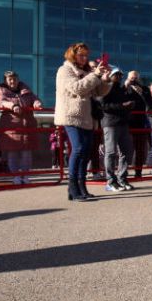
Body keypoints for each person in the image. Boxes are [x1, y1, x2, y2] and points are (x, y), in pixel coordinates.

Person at [53, 42, 112, 201]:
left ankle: (81, 187)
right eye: (81, 55)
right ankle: (72, 186)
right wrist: (95, 75)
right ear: (72, 54)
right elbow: (77, 88)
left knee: (85, 151)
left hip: (87, 117)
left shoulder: (87, 71)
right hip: (71, 115)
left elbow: (99, 92)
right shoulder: (65, 70)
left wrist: (105, 79)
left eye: (86, 55)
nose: (85, 58)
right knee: (78, 148)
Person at [0, 70, 43, 185]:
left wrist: (37, 103)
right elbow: (0, 103)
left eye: (14, 78)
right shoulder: (1, 92)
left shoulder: (26, 91)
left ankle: (25, 175)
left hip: (27, 127)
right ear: (5, 81)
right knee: (13, 154)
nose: (13, 81)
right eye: (10, 79)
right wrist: (13, 106)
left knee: (26, 154)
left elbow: (34, 99)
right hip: (12, 128)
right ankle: (15, 176)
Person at [100, 67, 136, 192]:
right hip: (110, 123)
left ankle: (122, 179)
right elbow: (103, 106)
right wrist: (122, 106)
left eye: (120, 75)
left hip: (123, 123)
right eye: (116, 75)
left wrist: (129, 104)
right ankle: (110, 181)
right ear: (110, 76)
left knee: (126, 152)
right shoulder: (105, 88)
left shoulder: (121, 90)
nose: (119, 77)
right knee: (110, 153)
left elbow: (125, 103)